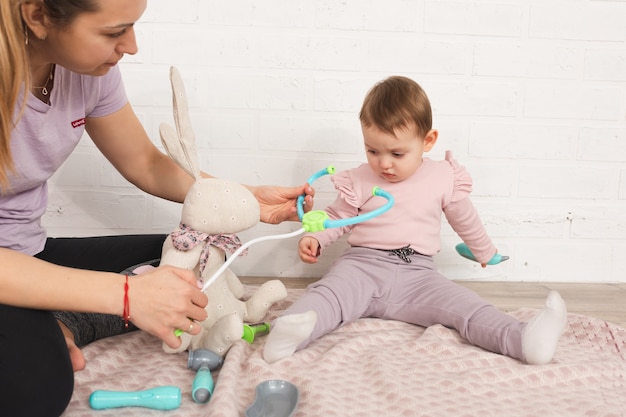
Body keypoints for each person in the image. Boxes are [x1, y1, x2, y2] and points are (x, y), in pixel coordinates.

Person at [0, 1, 313, 416]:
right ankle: (45, 323)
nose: (131, 45)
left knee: (192, 259)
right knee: (36, 392)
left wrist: (241, 198)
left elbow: (144, 162)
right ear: (38, 16)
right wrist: (127, 295)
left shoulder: (90, 75)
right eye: (115, 32)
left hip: (27, 252)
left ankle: (57, 321)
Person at [262, 75, 567, 367]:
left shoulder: (443, 176)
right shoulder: (358, 179)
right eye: (372, 150)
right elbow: (337, 218)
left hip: (417, 274)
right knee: (328, 295)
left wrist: (485, 251)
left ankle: (524, 340)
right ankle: (288, 335)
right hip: (361, 266)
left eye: (397, 153)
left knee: (465, 306)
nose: (383, 163)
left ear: (428, 140)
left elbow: (466, 219)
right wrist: (314, 238)